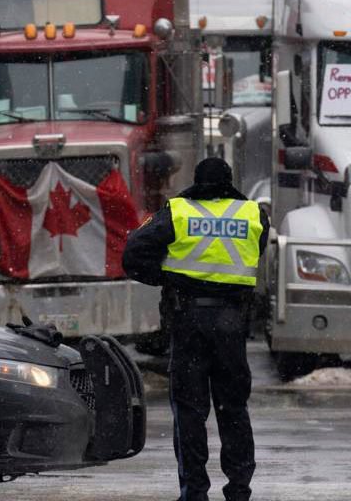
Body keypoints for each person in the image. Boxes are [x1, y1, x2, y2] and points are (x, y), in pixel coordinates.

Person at [123, 158, 268, 501]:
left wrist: (167, 278)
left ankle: (194, 492)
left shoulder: (178, 212)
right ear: (230, 182)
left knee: (190, 412)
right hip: (231, 325)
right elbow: (252, 255)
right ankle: (238, 490)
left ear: (197, 181)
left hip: (188, 321)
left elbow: (133, 254)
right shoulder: (253, 214)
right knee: (233, 409)